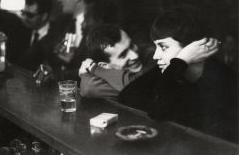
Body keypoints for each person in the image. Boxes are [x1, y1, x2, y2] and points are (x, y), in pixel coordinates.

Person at [121, 5, 237, 142]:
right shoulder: (173, 69)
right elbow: (126, 97)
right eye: (156, 46)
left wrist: (180, 60)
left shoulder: (223, 80)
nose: (156, 56)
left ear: (194, 47)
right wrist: (180, 61)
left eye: (163, 47)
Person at [79, 24, 218, 102]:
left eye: (131, 45)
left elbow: (135, 88)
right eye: (123, 55)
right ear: (105, 66)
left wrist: (93, 70)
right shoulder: (100, 71)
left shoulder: (155, 54)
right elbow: (88, 87)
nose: (135, 54)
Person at [17, 0, 57, 71]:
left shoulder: (57, 34)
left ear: (44, 16)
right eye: (23, 13)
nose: (24, 18)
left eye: (29, 15)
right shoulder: (19, 29)